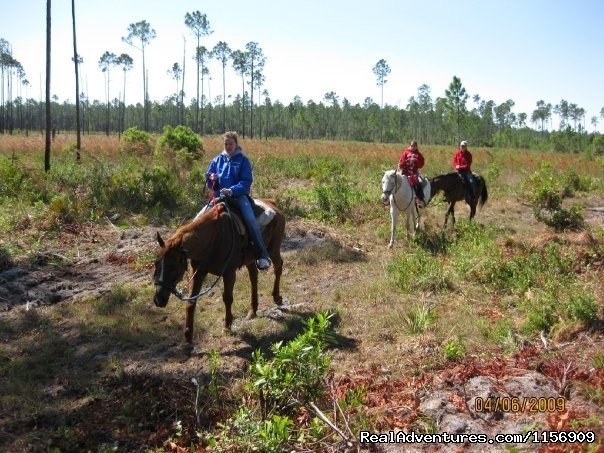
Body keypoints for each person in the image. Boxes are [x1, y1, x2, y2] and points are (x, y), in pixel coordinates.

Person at [205, 131, 271, 270]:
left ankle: (263, 255)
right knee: (200, 217)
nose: (228, 146)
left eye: (231, 144)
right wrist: (212, 179)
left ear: (236, 144)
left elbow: (246, 181)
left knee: (250, 219)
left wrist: (231, 190)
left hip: (238, 197)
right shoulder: (217, 160)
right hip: (219, 197)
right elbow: (209, 179)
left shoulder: (243, 160)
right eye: (226, 144)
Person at [398, 139, 426, 207]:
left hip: (414, 172)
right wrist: (405, 162)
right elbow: (401, 163)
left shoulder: (418, 154)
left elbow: (421, 165)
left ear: (416, 146)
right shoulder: (405, 153)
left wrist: (416, 161)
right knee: (396, 181)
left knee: (418, 182)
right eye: (412, 146)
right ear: (410, 146)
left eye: (414, 146)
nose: (413, 147)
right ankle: (392, 199)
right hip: (405, 171)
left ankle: (420, 199)